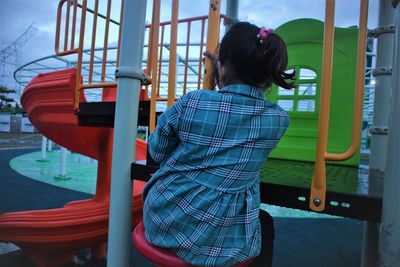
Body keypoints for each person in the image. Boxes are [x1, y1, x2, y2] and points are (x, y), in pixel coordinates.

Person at [142, 22, 295, 267]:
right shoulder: (278, 120)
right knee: (264, 223)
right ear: (268, 76)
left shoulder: (192, 102)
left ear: (222, 67)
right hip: (222, 233)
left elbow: (157, 150)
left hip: (164, 217)